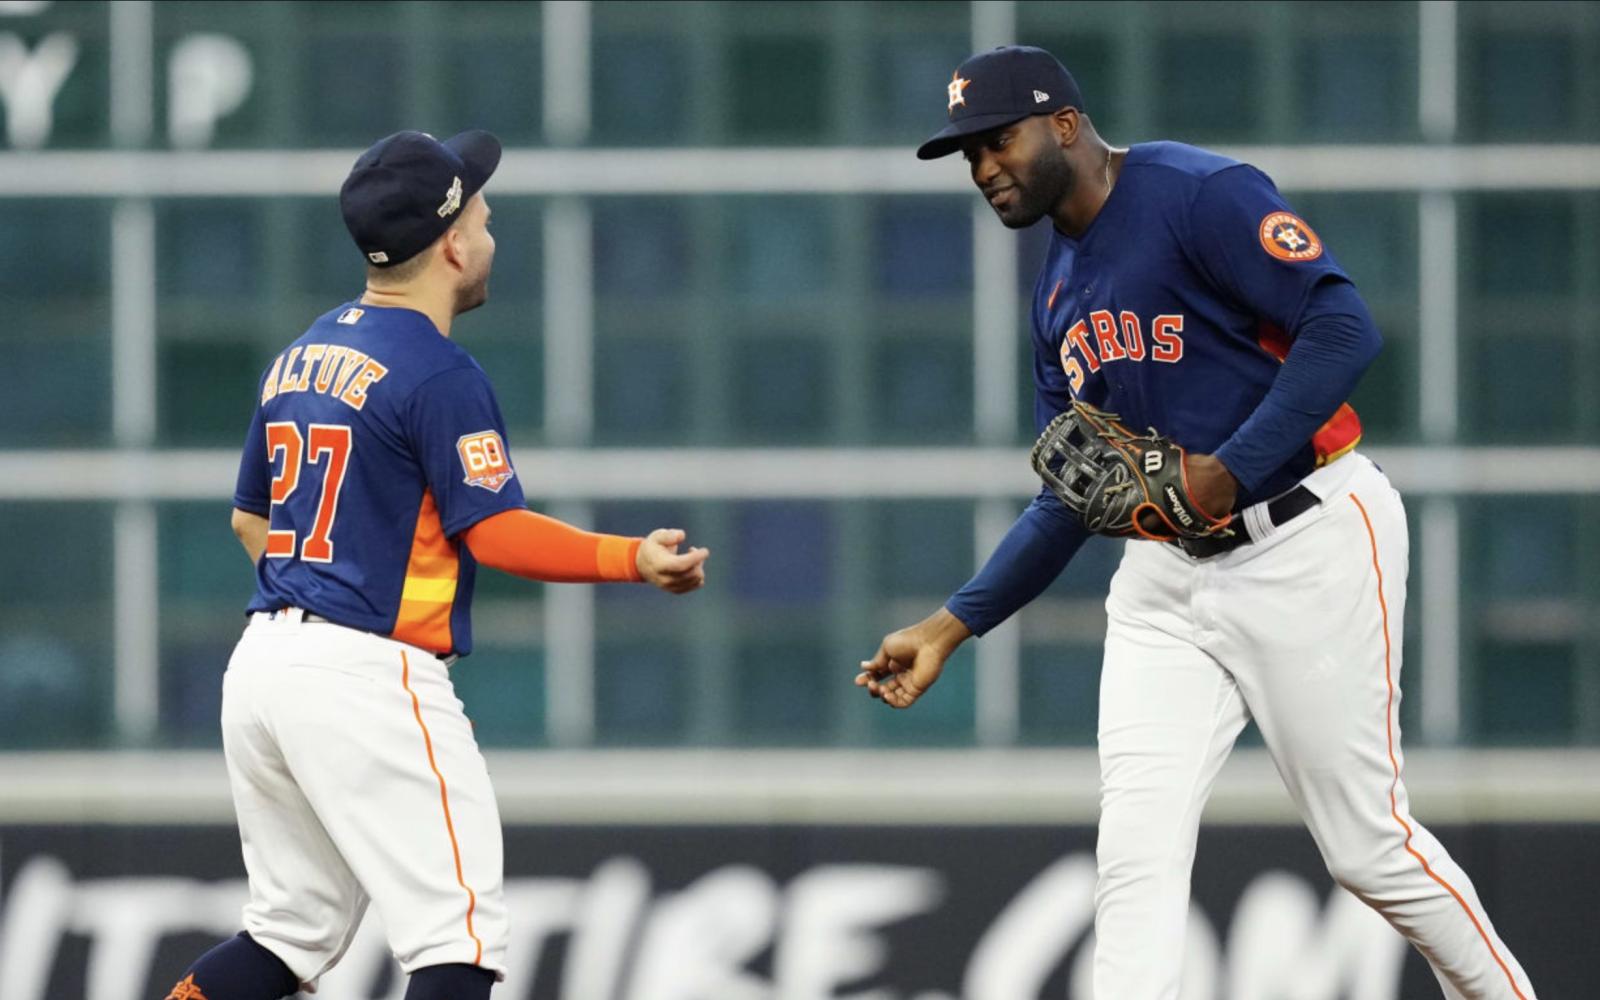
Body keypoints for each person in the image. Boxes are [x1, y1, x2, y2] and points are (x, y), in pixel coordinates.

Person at [857, 46, 1536, 999]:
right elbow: (1070, 497)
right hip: (1165, 583)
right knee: (1133, 854)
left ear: (1063, 124)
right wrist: (950, 625)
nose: (983, 168)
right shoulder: (1054, 299)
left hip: (1307, 537)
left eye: (997, 140)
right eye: (969, 154)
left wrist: (1231, 468)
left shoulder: (1196, 194)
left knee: (1368, 849)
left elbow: (1343, 327)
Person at [164, 129, 709, 1000]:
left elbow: (247, 520)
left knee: (287, 932)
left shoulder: (300, 353)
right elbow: (495, 532)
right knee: (458, 936)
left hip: (263, 660)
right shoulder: (436, 371)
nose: (491, 234)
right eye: (483, 219)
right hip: (362, 671)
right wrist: (631, 558)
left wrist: (317, 605)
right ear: (452, 245)